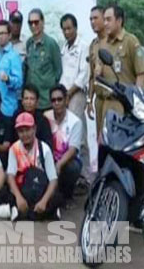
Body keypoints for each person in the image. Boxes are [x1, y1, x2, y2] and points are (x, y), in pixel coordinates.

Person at [7, 112, 63, 221]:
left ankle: (22, 213)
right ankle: (43, 213)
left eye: (28, 130)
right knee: (7, 194)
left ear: (34, 129)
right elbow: (10, 177)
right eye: (21, 131)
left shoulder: (44, 149)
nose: (25, 134)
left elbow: (53, 180)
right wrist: (19, 197)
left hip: (40, 190)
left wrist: (44, 201)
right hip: (23, 191)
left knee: (57, 197)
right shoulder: (14, 149)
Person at [99, 6, 144, 132]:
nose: (105, 23)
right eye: (104, 20)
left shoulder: (131, 41)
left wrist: (134, 103)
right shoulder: (104, 44)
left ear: (119, 21)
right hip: (107, 103)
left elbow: (141, 74)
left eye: (109, 19)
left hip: (125, 104)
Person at [59, 13, 90, 186]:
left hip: (76, 94)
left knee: (77, 132)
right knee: (65, 134)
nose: (67, 32)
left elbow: (84, 74)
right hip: (64, 95)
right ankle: (70, 175)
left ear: (76, 28)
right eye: (64, 29)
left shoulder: (83, 47)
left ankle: (85, 176)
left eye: (69, 28)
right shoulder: (63, 48)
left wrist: (69, 93)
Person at [43, 85, 82, 209]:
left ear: (66, 100)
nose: (57, 103)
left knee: (74, 167)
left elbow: (73, 149)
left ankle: (67, 196)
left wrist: (59, 164)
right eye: (53, 100)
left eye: (59, 99)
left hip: (66, 160)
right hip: (48, 158)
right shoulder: (45, 117)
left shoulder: (75, 122)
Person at [25, 8, 62, 110]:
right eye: (30, 23)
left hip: (46, 100)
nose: (33, 26)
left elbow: (58, 71)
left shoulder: (51, 44)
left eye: (36, 22)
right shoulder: (29, 43)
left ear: (43, 22)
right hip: (31, 102)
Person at [0, 20, 23, 116]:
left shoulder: (14, 56)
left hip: (7, 108)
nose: (0, 36)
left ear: (9, 35)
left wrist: (8, 79)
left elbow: (19, 82)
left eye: (3, 33)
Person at [87, 6, 107, 141]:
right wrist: (89, 100)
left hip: (113, 99)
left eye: (95, 18)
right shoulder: (93, 45)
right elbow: (91, 76)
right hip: (99, 99)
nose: (92, 22)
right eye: (90, 19)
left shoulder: (112, 42)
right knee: (100, 140)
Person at [14, 84, 53, 148]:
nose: (29, 102)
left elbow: (48, 143)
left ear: (37, 102)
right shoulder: (15, 117)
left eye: (32, 99)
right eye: (26, 98)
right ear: (22, 101)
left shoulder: (43, 120)